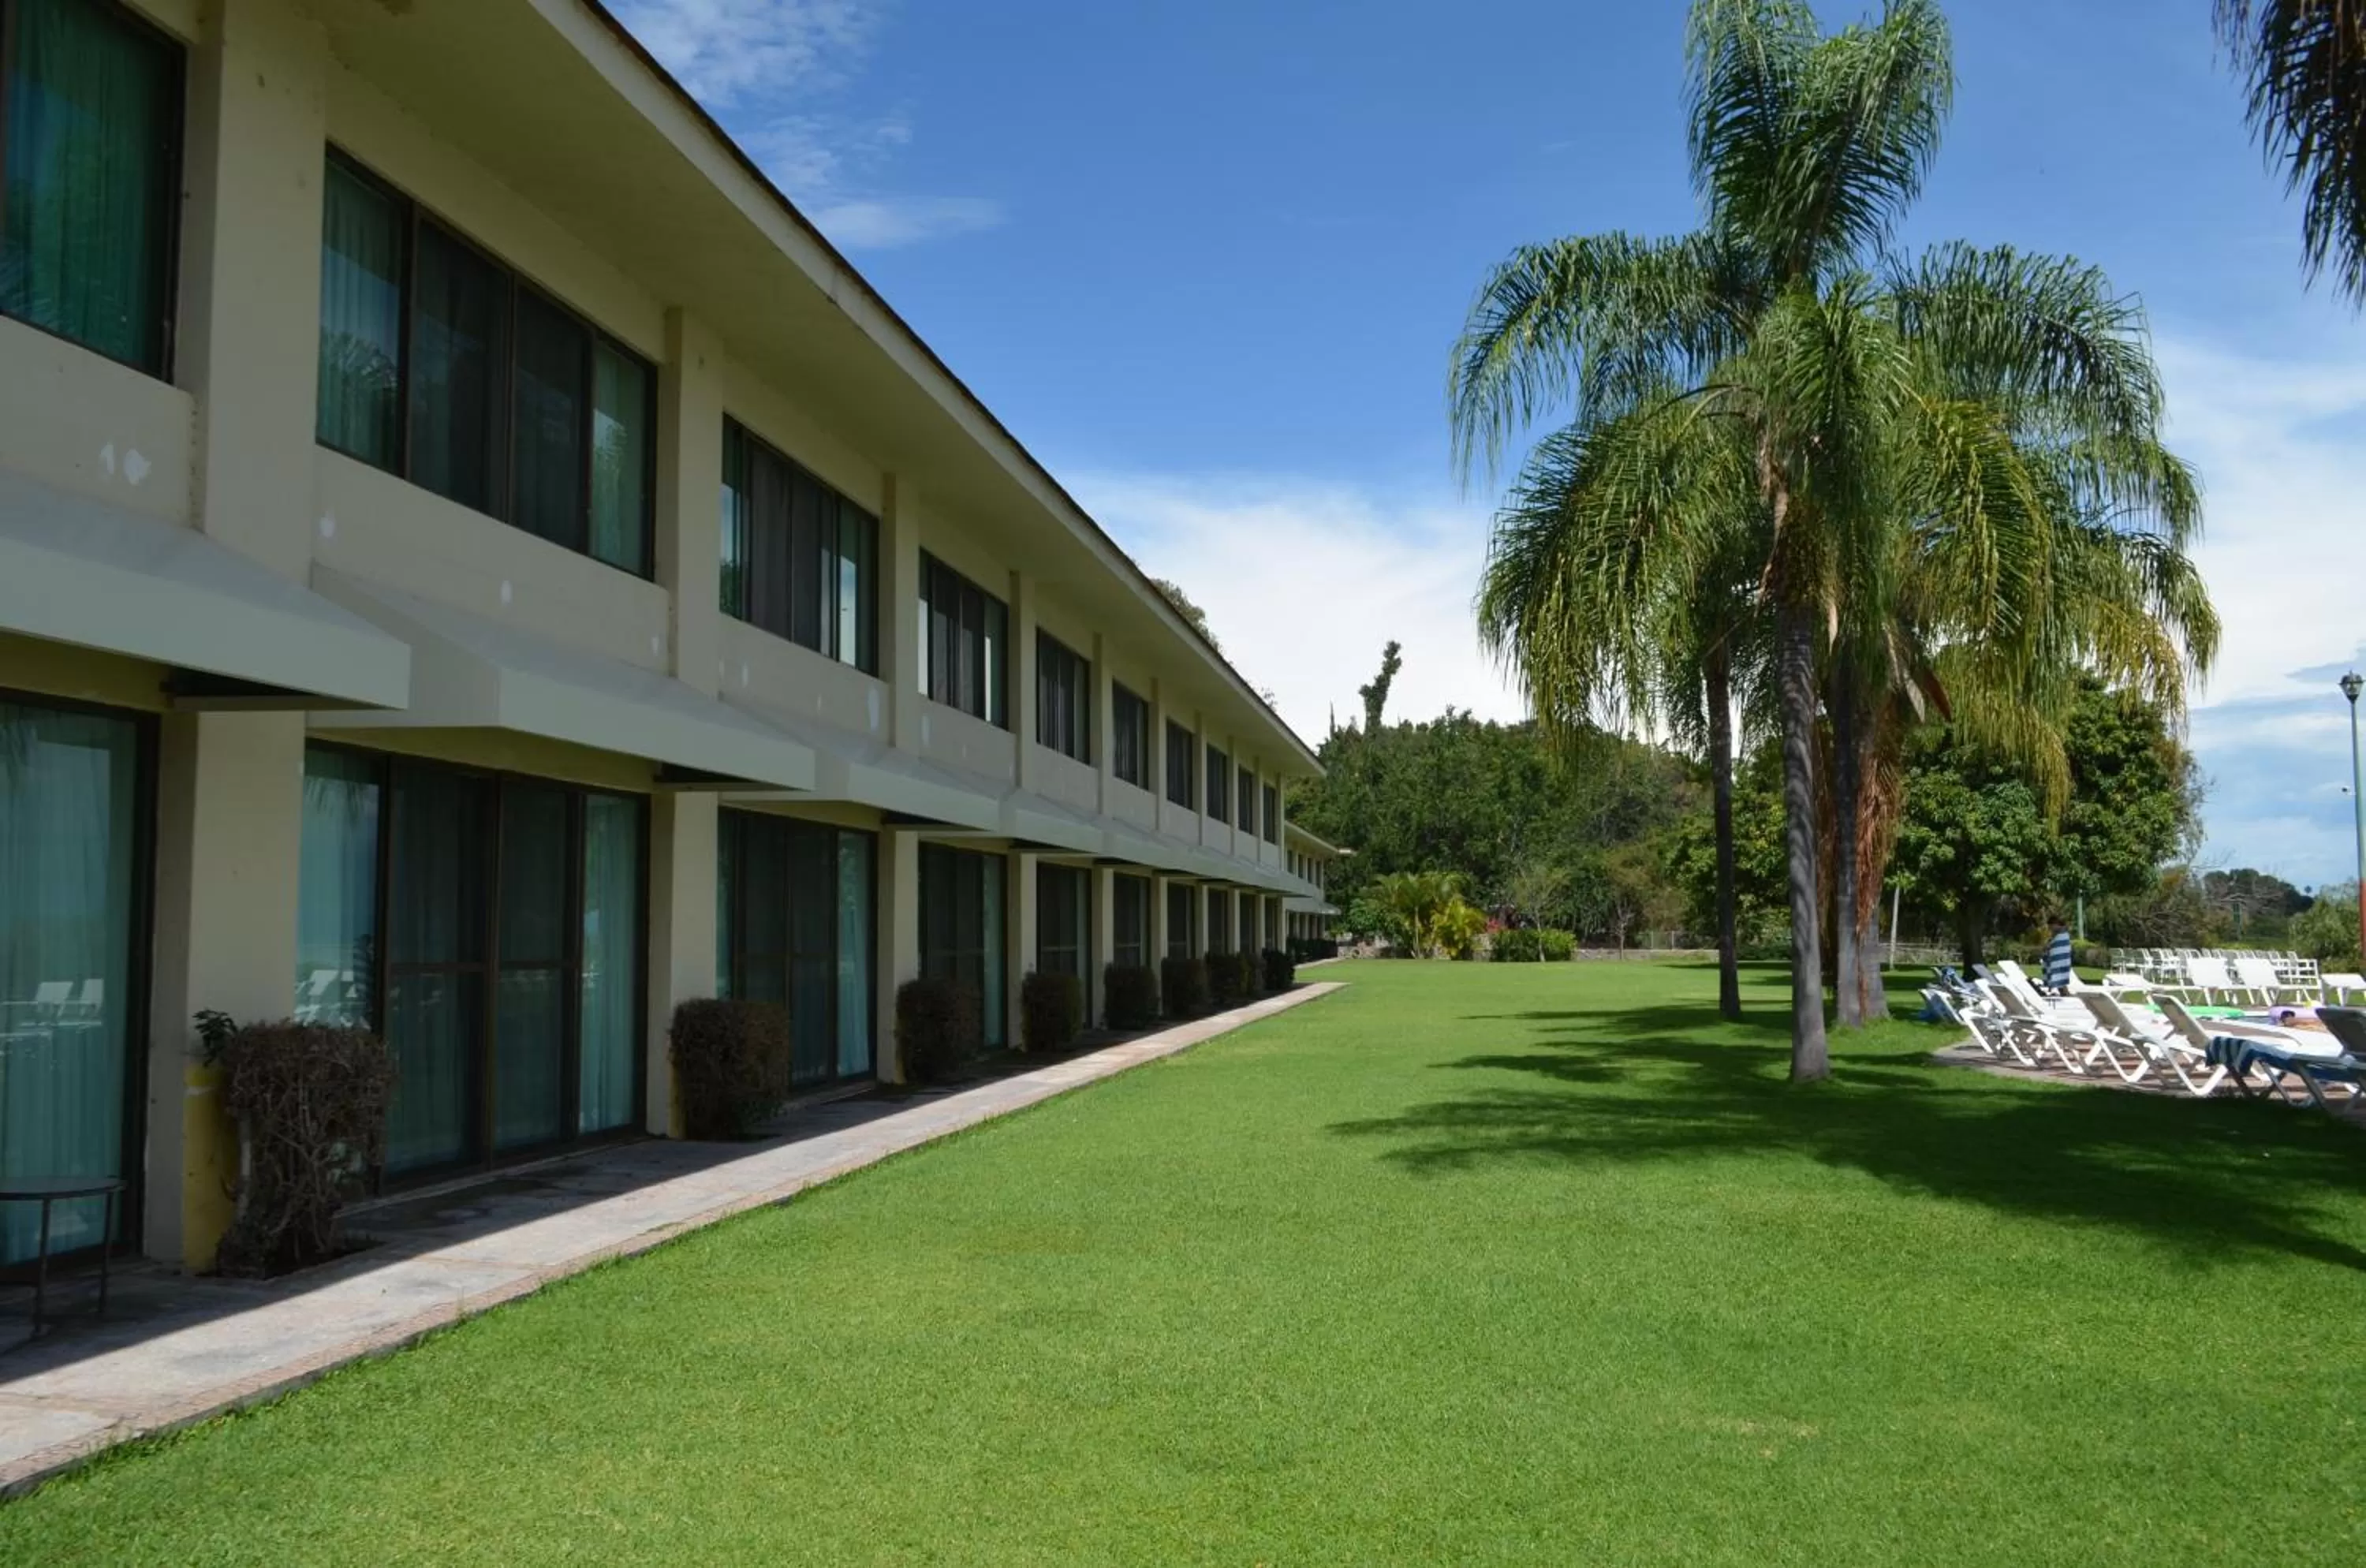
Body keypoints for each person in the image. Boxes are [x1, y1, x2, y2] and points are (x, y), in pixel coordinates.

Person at [2043, 918, 2074, 997]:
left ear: (2056, 924)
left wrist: (2049, 946)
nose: (2050, 929)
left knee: (2060, 978)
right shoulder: (2058, 934)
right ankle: (2064, 994)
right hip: (2059, 961)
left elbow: (2059, 946)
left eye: (2051, 927)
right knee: (2059, 979)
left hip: (2060, 960)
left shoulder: (2062, 934)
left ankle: (2066, 994)